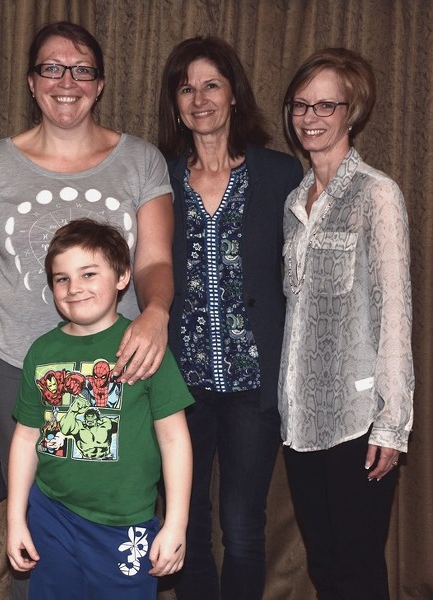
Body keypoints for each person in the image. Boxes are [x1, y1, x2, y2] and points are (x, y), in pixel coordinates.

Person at [0, 21, 173, 596]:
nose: (66, 82)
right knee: (36, 515)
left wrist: (155, 313)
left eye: (81, 70)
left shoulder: (141, 161)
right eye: (52, 68)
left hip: (118, 365)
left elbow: (154, 260)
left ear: (99, 85)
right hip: (16, 365)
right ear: (32, 83)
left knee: (110, 499)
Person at [157, 37, 303, 600]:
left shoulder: (278, 175)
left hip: (252, 385)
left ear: (234, 94)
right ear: (175, 102)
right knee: (185, 524)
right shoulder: (159, 179)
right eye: (186, 87)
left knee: (243, 530)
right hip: (178, 386)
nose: (199, 98)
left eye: (211, 84)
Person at [279, 48, 414, 600]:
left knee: (358, 573)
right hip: (300, 418)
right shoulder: (293, 201)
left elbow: (395, 313)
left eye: (326, 105)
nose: (310, 118)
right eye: (301, 105)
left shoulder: (377, 194)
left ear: (352, 112)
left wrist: (392, 423)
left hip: (357, 419)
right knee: (326, 567)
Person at [6, 218, 193, 599]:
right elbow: (26, 439)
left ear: (123, 275)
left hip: (125, 525)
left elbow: (175, 440)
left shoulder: (145, 347)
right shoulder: (41, 352)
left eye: (88, 274)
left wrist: (175, 524)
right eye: (62, 279)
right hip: (52, 515)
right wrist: (15, 520)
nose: (74, 288)